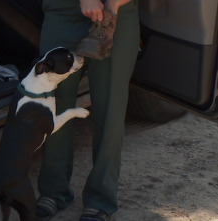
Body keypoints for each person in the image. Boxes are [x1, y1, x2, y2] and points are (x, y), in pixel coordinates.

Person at [35, 0, 140, 220]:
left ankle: (101, 198)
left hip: (118, 15)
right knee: (54, 103)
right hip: (63, 11)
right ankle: (54, 190)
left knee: (110, 109)